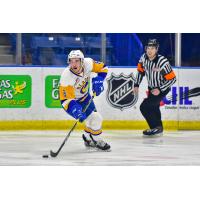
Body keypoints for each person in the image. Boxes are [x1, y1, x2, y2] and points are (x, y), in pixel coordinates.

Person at [59, 50, 111, 150]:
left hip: (85, 97)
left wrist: (99, 80)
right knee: (96, 118)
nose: (73, 64)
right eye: (71, 61)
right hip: (72, 101)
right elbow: (65, 100)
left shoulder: (88, 63)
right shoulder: (66, 76)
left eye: (76, 61)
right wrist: (75, 109)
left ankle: (87, 138)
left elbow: (103, 67)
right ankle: (98, 140)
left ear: (82, 61)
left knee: (92, 119)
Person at [133, 39, 176, 136]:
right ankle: (158, 128)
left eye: (152, 48)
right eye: (148, 48)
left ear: (156, 50)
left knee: (144, 107)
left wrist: (160, 89)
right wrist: (136, 85)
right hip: (152, 88)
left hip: (162, 88)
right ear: (145, 48)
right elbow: (140, 72)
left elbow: (172, 79)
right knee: (154, 106)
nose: (150, 50)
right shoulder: (143, 58)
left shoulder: (163, 62)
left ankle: (155, 127)